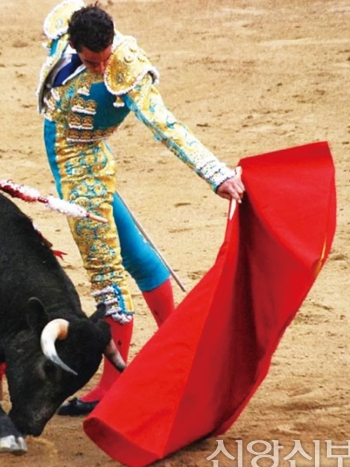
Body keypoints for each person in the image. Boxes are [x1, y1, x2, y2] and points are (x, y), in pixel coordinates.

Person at [36, 0, 245, 416]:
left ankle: (114, 386)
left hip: (85, 181)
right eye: (93, 61)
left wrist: (215, 173)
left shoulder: (126, 70)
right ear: (75, 44)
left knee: (108, 279)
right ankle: (183, 347)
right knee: (136, 256)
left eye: (105, 57)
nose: (101, 68)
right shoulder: (64, 29)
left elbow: (165, 126)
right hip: (79, 170)